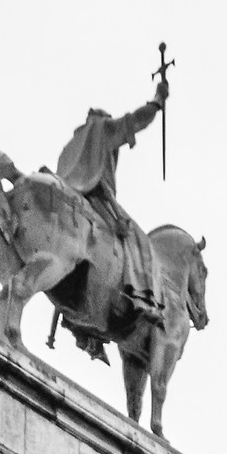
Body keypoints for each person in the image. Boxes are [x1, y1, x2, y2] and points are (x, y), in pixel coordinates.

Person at [55, 79, 168, 317]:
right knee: (139, 240)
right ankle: (142, 300)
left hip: (67, 196)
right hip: (97, 196)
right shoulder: (101, 129)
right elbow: (135, 121)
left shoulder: (71, 145)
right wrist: (157, 101)